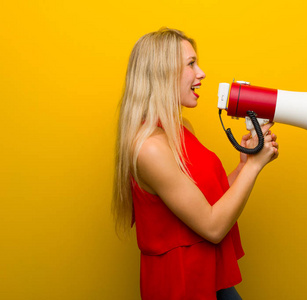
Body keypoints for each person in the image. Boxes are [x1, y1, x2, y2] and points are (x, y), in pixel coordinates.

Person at [112, 27, 279, 300]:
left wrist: (244, 164)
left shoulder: (180, 128)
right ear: (162, 73)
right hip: (182, 284)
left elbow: (207, 203)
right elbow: (213, 227)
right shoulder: (149, 149)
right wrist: (254, 167)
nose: (201, 73)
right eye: (191, 64)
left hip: (209, 274)